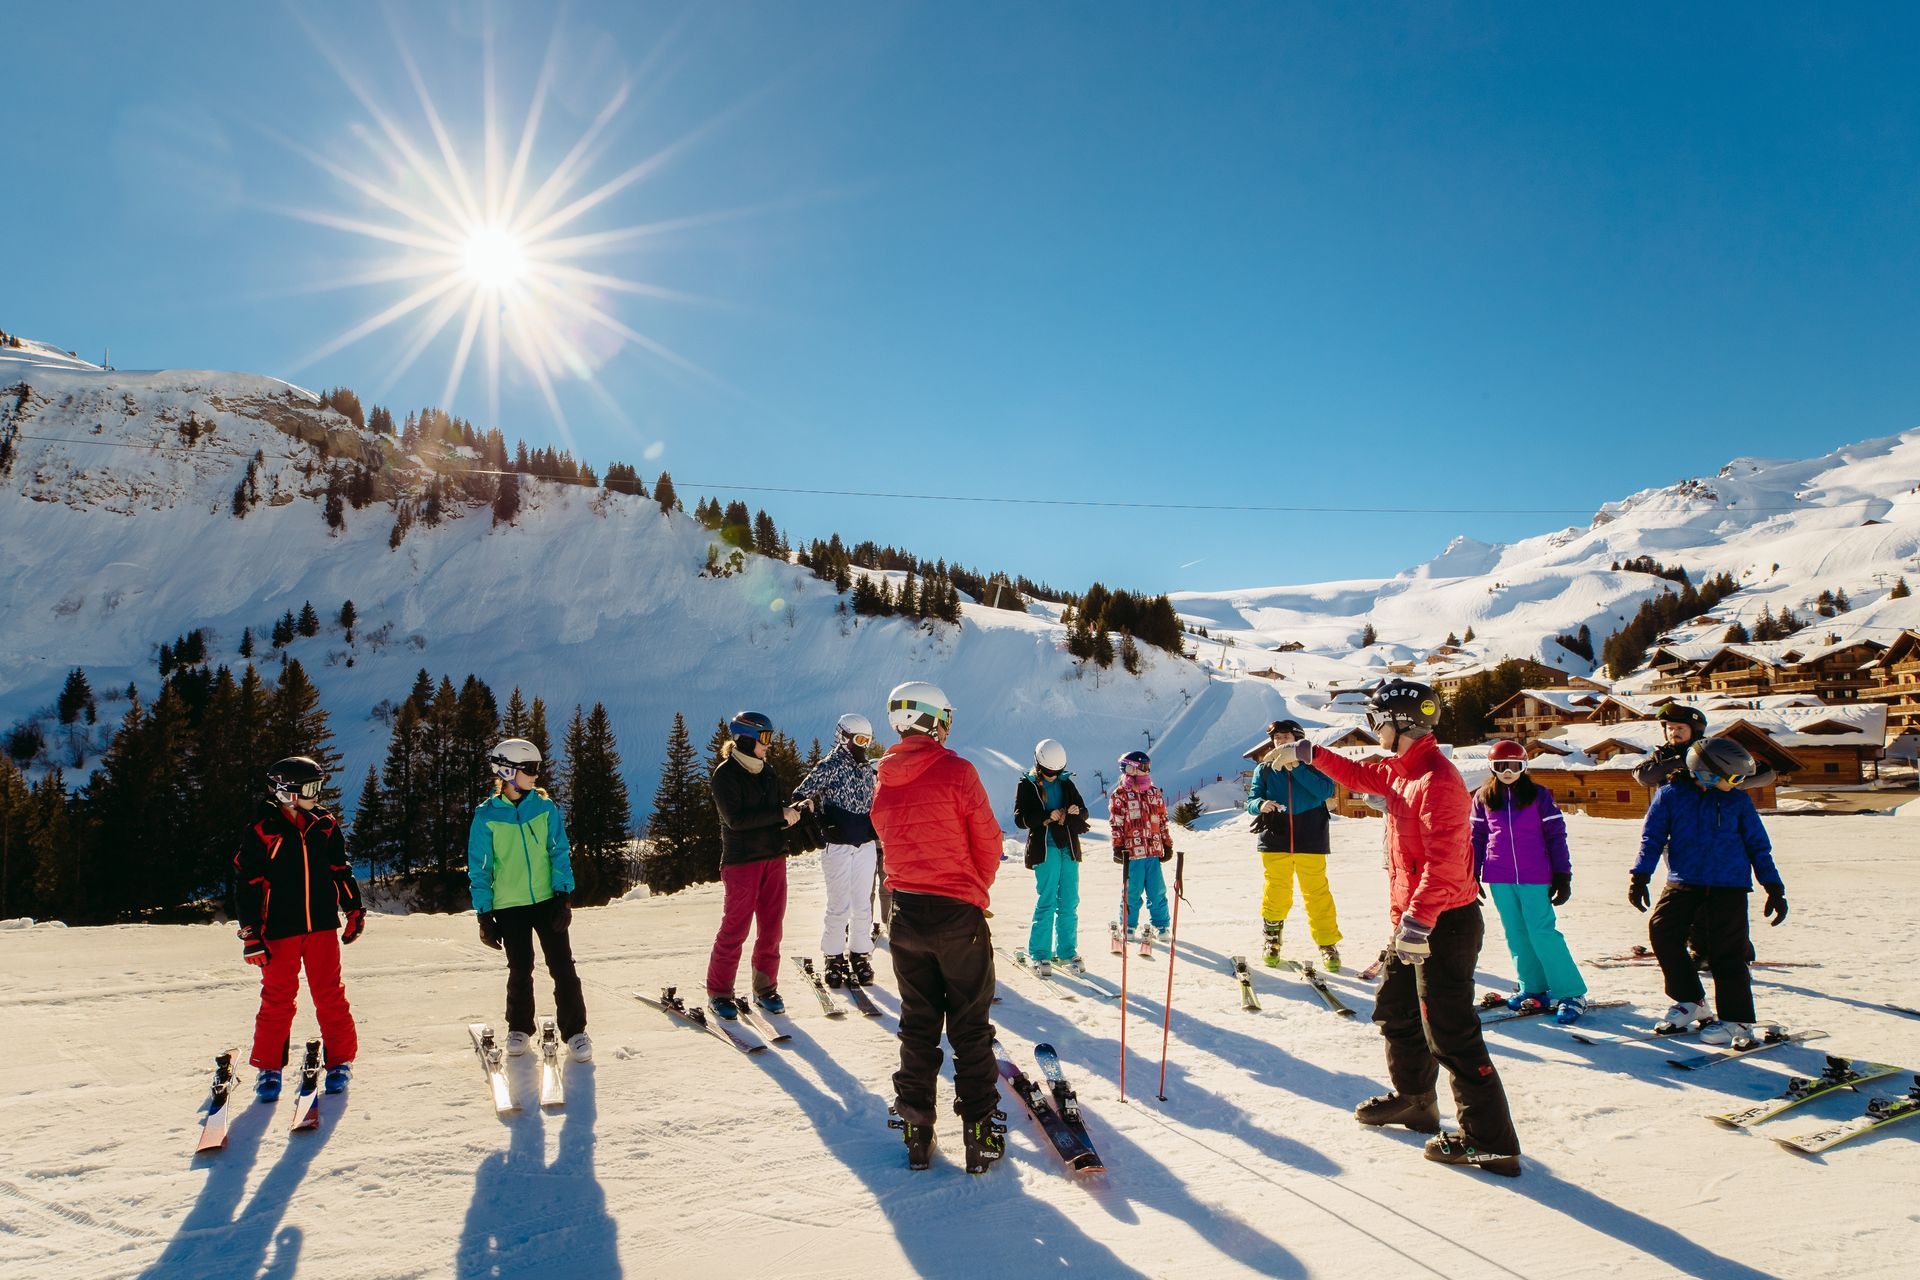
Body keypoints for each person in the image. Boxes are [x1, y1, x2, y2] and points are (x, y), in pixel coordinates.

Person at [1278, 679, 1522, 1177]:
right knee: (1396, 1010)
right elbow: (1360, 776)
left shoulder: (1438, 780)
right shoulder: (1403, 771)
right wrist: (1308, 752)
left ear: (1403, 722)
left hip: (1443, 923)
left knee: (1451, 1034)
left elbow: (1447, 865)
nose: (1375, 729)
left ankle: (1492, 1140)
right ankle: (1416, 1102)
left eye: (1378, 720)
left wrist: (1417, 924)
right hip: (1415, 921)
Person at [869, 681, 1006, 1174]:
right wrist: (974, 889)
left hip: (905, 914)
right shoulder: (957, 770)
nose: (949, 726)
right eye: (944, 717)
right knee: (970, 1025)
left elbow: (889, 840)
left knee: (918, 1022)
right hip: (955, 914)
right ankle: (980, 1130)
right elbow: (988, 841)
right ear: (929, 720)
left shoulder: (884, 778)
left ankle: (915, 1127)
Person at [1629, 736, 1788, 1048]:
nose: (1740, 784)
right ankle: (1691, 1001)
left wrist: (1774, 887)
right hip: (1683, 880)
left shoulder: (1737, 801)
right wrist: (1640, 876)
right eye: (1735, 778)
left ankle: (1738, 1021)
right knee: (1662, 933)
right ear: (1706, 773)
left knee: (1726, 952)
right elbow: (1653, 837)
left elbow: (1758, 846)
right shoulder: (1671, 795)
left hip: (1728, 885)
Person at [234, 756, 364, 1101]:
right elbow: (248, 884)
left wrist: (353, 909)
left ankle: (340, 1061)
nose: (316, 795)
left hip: (321, 924)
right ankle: (269, 1068)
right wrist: (252, 935)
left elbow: (340, 868)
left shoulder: (323, 824)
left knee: (329, 993)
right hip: (280, 929)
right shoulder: (263, 831)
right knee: (278, 998)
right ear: (286, 792)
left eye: (318, 787)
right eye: (309, 789)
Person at [468, 738, 591, 1062]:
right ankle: (519, 1027)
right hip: (510, 905)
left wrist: (564, 897)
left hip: (547, 900)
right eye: (530, 769)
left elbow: (558, 852)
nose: (537, 775)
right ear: (507, 771)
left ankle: (575, 1031)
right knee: (520, 968)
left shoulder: (545, 808)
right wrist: (484, 915)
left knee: (563, 967)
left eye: (538, 768)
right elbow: (481, 868)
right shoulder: (487, 816)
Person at [1472, 740, 1588, 1024]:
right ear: (1492, 767)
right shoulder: (1483, 797)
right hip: (1499, 875)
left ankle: (1571, 992)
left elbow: (1556, 836)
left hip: (1535, 874)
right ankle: (1533, 987)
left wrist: (1563, 874)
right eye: (1501, 766)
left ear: (1524, 767)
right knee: (1515, 932)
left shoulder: (1539, 796)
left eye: (1515, 766)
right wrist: (1471, 873)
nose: (1508, 772)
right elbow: (1476, 839)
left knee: (1541, 931)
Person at [705, 711, 803, 1019]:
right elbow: (736, 821)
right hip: (741, 863)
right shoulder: (725, 775)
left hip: (773, 858)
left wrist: (791, 816)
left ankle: (765, 989)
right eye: (765, 739)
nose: (769, 745)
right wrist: (779, 814)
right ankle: (720, 992)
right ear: (746, 739)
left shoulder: (767, 772)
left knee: (772, 928)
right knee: (736, 928)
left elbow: (772, 815)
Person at [1245, 719, 1342, 971]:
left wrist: (1297, 766)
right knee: (1277, 890)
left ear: (1298, 739)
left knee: (1317, 893)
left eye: (1286, 738)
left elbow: (1325, 791)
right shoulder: (1265, 768)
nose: (1280, 742)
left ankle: (1327, 943)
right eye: (1277, 739)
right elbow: (1252, 799)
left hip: (1311, 835)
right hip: (1274, 836)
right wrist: (1261, 805)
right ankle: (1272, 939)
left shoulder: (1313, 763)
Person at [794, 712, 880, 987]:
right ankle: (833, 956)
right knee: (838, 904)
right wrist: (819, 820)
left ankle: (859, 954)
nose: (864, 745)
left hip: (864, 843)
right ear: (843, 737)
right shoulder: (829, 765)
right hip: (838, 845)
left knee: (863, 904)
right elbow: (801, 794)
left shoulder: (867, 768)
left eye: (868, 740)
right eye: (859, 739)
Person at [1012, 738, 1090, 976]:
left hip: (1068, 847)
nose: (1053, 776)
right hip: (1045, 849)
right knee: (1047, 900)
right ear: (1038, 764)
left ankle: (1067, 951)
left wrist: (1076, 811)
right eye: (1048, 772)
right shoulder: (1027, 784)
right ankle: (1040, 953)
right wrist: (1046, 816)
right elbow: (1020, 819)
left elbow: (1084, 810)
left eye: (1056, 772)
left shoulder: (1066, 783)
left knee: (1069, 900)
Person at [1109, 750, 1174, 946]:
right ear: (1130, 768)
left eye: (1148, 767)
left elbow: (1162, 820)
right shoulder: (1120, 794)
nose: (1147, 771)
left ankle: (1161, 926)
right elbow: (1116, 822)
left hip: (1152, 851)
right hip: (1132, 853)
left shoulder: (1154, 793)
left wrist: (1166, 843)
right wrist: (1117, 846)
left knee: (1157, 890)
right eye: (1143, 767)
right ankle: (1128, 926)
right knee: (1132, 891)